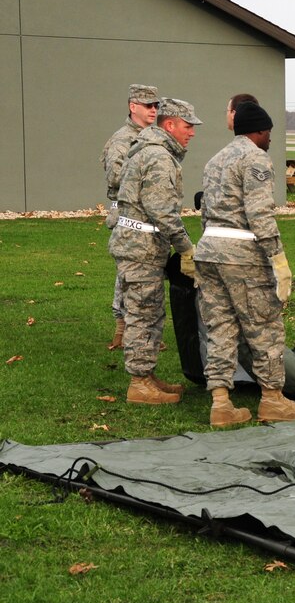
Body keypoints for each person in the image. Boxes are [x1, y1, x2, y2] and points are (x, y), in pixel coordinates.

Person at [193, 102, 295, 427]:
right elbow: (260, 213)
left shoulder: (215, 160)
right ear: (259, 131)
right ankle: (273, 400)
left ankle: (221, 403)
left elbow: (205, 209)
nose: (270, 139)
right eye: (269, 133)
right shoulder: (256, 158)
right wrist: (278, 259)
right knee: (265, 327)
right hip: (242, 253)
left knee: (220, 327)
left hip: (208, 249)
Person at [108, 98, 200, 404]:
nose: (192, 133)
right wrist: (186, 248)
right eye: (188, 126)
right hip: (141, 247)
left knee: (149, 310)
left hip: (142, 245)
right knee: (143, 312)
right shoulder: (158, 157)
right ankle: (139, 383)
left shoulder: (150, 150)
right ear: (170, 125)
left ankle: (146, 375)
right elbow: (161, 209)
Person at [101, 84, 159, 350]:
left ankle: (141, 330)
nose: (154, 110)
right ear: (132, 106)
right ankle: (123, 329)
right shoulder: (123, 140)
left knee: (142, 272)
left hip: (145, 212)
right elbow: (114, 177)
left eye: (156, 106)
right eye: (148, 105)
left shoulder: (151, 136)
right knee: (128, 274)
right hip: (127, 212)